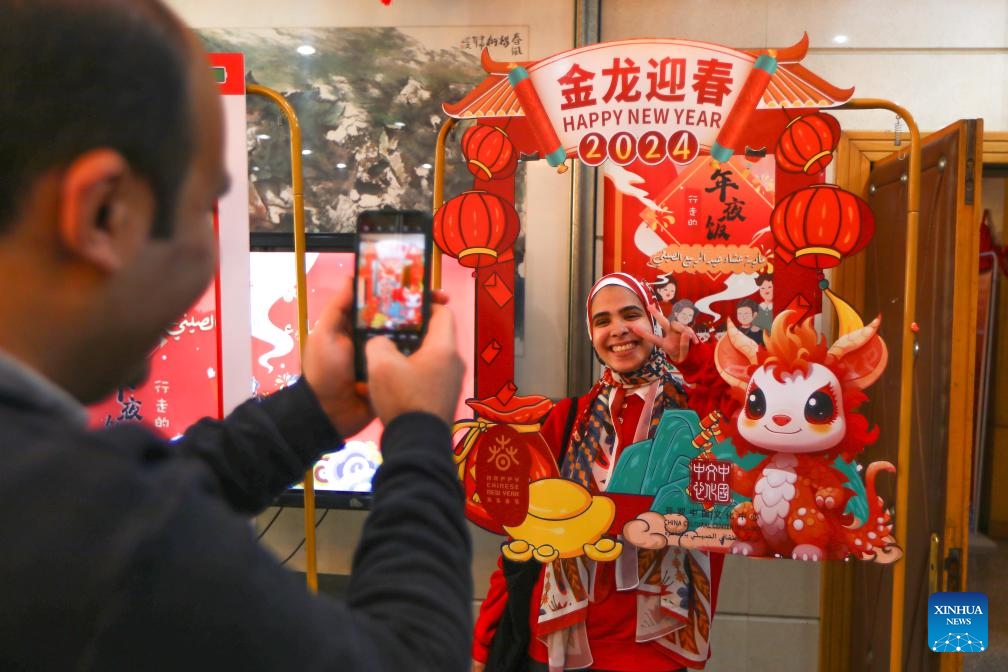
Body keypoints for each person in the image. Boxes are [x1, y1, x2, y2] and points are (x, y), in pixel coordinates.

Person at [0, 1, 471, 670]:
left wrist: (313, 412)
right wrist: (421, 433)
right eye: (206, 207)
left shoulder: (60, 502)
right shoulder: (119, 542)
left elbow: (130, 502)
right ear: (104, 211)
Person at [471, 273, 730, 672]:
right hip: (559, 637)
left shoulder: (699, 416)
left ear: (654, 319)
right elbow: (521, 537)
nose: (618, 330)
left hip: (657, 647)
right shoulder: (565, 420)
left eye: (632, 315)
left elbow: (754, 425)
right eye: (602, 320)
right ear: (591, 334)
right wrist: (484, 639)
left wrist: (696, 362)